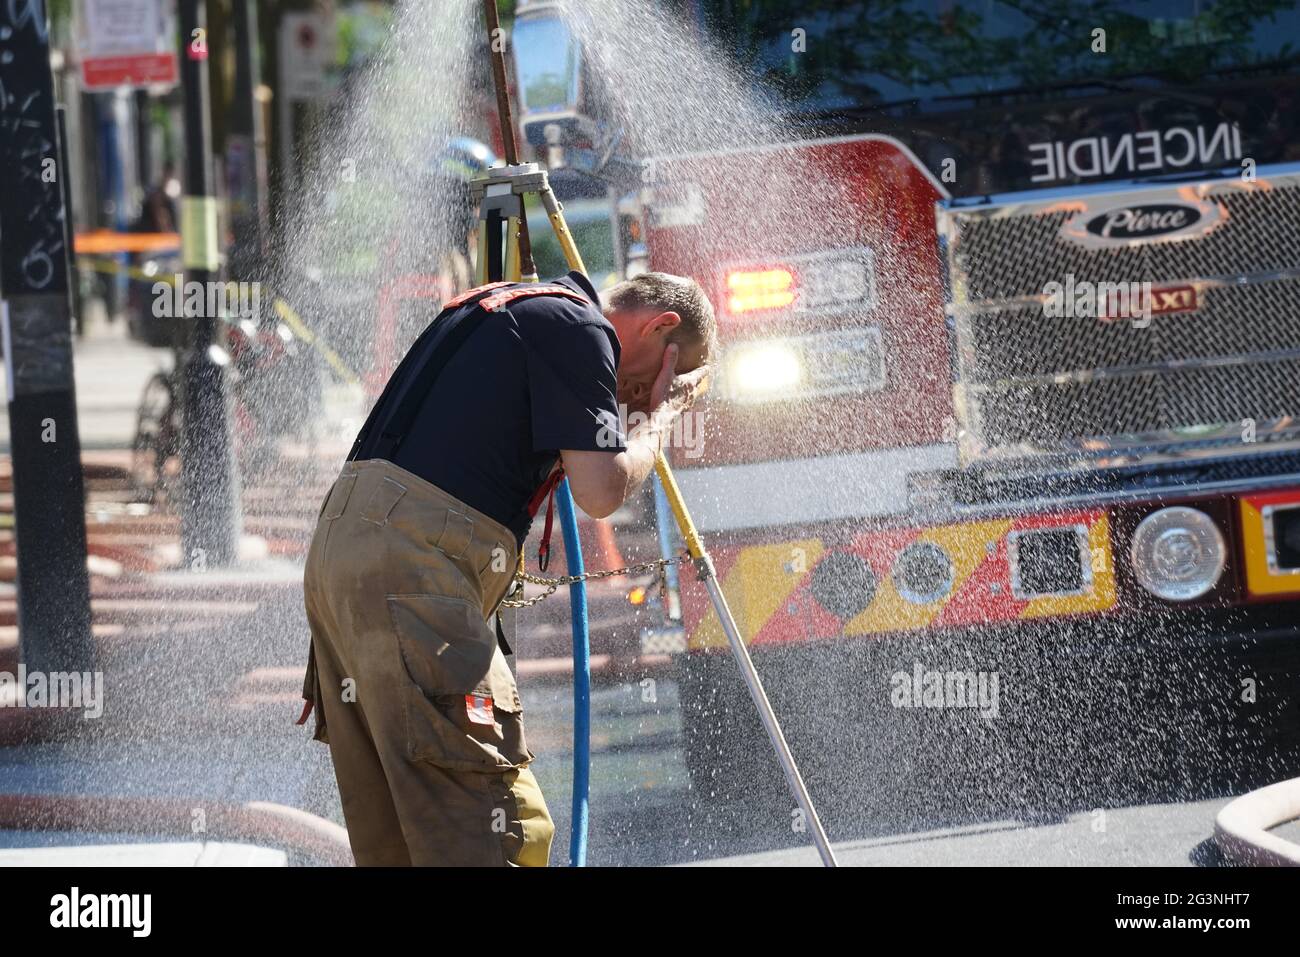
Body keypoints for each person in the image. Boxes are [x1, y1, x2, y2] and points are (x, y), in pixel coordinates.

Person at [300, 270, 715, 866]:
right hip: (414, 569)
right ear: (660, 326)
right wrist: (663, 416)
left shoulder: (511, 309)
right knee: (499, 830)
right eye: (647, 381)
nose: (630, 400)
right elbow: (600, 490)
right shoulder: (581, 328)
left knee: (399, 842)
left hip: (345, 560)